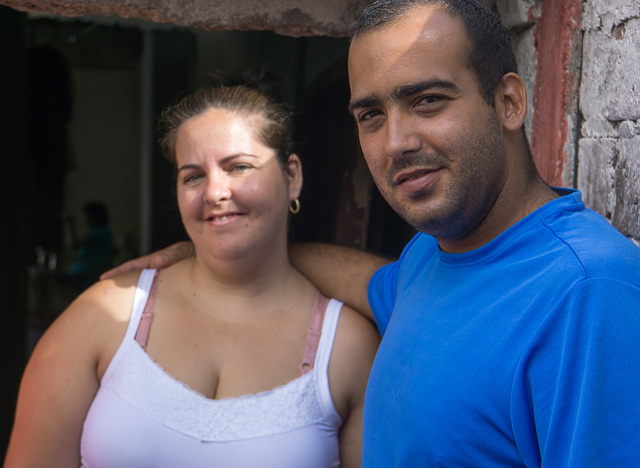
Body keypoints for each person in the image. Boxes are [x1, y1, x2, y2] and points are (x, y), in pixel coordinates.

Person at [100, 0, 640, 466]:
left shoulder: (588, 290)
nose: (396, 140)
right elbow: (364, 278)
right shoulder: (432, 257)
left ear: (509, 102)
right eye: (371, 115)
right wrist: (215, 253)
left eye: (427, 100)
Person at [4, 84, 379, 468]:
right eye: (193, 176)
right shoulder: (104, 313)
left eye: (239, 167)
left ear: (292, 176)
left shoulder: (349, 347)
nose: (215, 191)